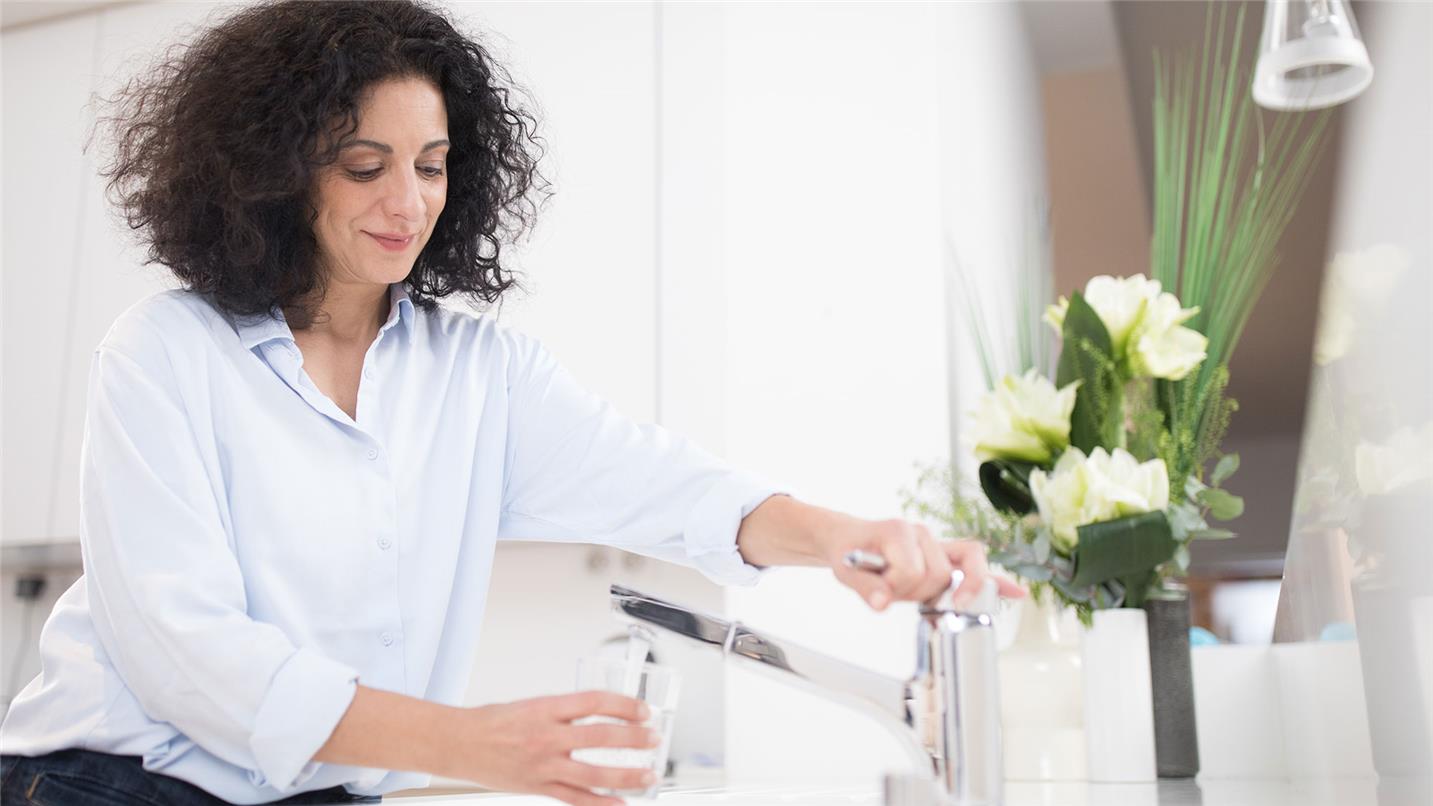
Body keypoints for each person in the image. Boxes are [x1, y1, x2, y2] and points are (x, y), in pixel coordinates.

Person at [0, 2, 1022, 804]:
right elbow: (189, 657)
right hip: (105, 782)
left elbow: (668, 487)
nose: (409, 201)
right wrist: (477, 742)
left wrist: (846, 537)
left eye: (432, 165)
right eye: (366, 167)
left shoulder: (478, 375)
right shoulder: (166, 352)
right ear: (273, 174)